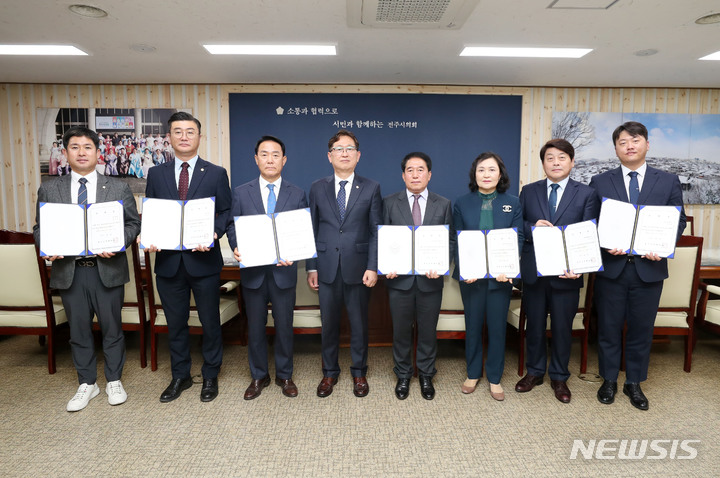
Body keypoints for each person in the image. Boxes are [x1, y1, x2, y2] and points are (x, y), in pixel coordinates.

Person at [33, 126, 141, 412]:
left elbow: (133, 224)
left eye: (87, 147)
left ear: (97, 151)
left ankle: (114, 380)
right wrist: (48, 245)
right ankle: (87, 383)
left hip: (106, 268)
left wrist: (118, 243)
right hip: (70, 270)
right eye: (75, 147)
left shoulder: (117, 187)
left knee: (112, 328)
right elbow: (39, 227)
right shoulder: (50, 188)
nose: (82, 152)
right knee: (78, 330)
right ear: (66, 152)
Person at [589, 121, 686, 411]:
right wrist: (604, 243)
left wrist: (663, 245)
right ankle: (608, 379)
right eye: (622, 142)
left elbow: (678, 220)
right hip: (612, 266)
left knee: (642, 329)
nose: (629, 146)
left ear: (646, 144)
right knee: (608, 327)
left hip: (649, 268)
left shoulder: (668, 180)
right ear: (616, 148)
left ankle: (634, 382)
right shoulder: (601, 181)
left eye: (635, 140)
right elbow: (593, 222)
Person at [144, 112, 232, 403]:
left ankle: (210, 375)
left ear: (199, 136)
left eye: (190, 131)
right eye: (178, 132)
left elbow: (225, 213)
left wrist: (214, 235)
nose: (184, 136)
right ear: (169, 137)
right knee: (176, 323)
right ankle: (179, 375)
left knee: (209, 321)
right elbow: (153, 213)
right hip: (169, 262)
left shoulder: (216, 173)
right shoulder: (156, 174)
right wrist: (150, 236)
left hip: (204, 262)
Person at [515, 139, 599, 403]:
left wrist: (580, 267)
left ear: (572, 162)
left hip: (567, 273)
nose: (556, 163)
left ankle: (560, 376)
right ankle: (535, 372)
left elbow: (589, 233)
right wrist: (532, 227)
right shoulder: (528, 191)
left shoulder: (586, 193)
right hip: (535, 270)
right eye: (550, 158)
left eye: (561, 158)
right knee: (535, 325)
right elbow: (518, 226)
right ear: (543, 163)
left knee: (563, 327)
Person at [227, 135, 308, 400]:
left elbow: (302, 230)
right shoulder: (241, 192)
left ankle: (285, 375)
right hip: (253, 272)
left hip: (283, 272)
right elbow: (231, 225)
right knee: (256, 327)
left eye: (276, 155)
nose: (270, 159)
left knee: (285, 325)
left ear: (283, 160)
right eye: (264, 154)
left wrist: (295, 254)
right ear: (256, 159)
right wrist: (237, 245)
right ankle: (258, 375)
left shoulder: (297, 193)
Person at [306, 129, 382, 398]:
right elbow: (311, 230)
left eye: (350, 148)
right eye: (339, 148)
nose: (345, 153)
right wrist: (312, 267)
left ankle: (359, 372)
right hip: (326, 267)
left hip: (360, 268)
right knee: (329, 324)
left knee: (359, 323)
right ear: (330, 156)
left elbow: (375, 230)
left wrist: (373, 266)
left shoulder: (371, 187)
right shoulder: (317, 187)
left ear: (358, 155)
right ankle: (329, 373)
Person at [382, 152, 453, 400]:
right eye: (410, 170)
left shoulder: (443, 204)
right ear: (403, 175)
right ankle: (402, 374)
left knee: (427, 330)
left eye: (420, 169)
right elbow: (383, 240)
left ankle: (425, 374)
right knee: (401, 330)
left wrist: (442, 263)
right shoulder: (389, 202)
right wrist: (385, 264)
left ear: (429, 174)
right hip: (399, 280)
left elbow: (450, 241)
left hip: (430, 280)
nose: (415, 174)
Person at [453, 152, 523, 401]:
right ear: (474, 174)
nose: (486, 174)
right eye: (481, 169)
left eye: (492, 169)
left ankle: (494, 378)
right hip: (472, 279)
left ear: (500, 174)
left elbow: (519, 237)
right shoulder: (462, 202)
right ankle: (472, 374)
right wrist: (464, 270)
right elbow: (457, 239)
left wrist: (511, 268)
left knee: (496, 328)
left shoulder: (512, 202)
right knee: (472, 327)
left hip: (500, 278)